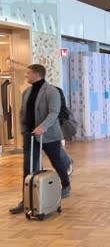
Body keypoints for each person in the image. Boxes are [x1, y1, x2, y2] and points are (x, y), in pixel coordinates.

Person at [9, 64, 71, 214]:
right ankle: (26, 199)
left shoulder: (52, 91)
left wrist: (43, 127)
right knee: (28, 167)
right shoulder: (27, 92)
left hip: (49, 135)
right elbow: (22, 112)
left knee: (56, 160)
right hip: (30, 135)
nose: (26, 76)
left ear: (37, 74)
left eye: (28, 73)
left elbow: (54, 112)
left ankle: (66, 185)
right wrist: (24, 129)